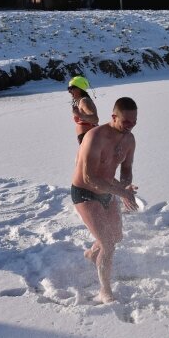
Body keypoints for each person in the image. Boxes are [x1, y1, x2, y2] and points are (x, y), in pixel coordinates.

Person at [71, 97, 138, 303]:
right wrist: (121, 192)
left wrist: (125, 187)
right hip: (85, 192)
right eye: (126, 121)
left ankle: (93, 254)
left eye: (134, 121)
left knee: (116, 237)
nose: (131, 125)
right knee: (108, 244)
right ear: (113, 117)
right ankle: (105, 290)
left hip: (108, 190)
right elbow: (90, 177)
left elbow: (126, 171)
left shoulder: (129, 140)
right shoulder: (94, 137)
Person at [68, 76, 99, 144]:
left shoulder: (84, 101)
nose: (69, 91)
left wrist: (79, 114)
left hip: (90, 139)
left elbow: (95, 119)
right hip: (88, 138)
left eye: (71, 88)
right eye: (68, 89)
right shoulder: (83, 101)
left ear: (79, 89)